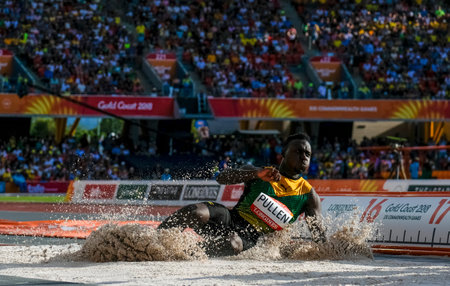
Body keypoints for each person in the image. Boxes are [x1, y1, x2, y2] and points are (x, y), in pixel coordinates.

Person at [158, 133, 326, 257]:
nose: (304, 156)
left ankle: (184, 254)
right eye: (298, 151)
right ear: (283, 152)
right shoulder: (261, 171)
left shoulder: (309, 195)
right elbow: (222, 178)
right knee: (196, 212)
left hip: (250, 237)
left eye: (308, 154)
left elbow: (319, 236)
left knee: (233, 244)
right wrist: (255, 174)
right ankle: (154, 240)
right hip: (230, 217)